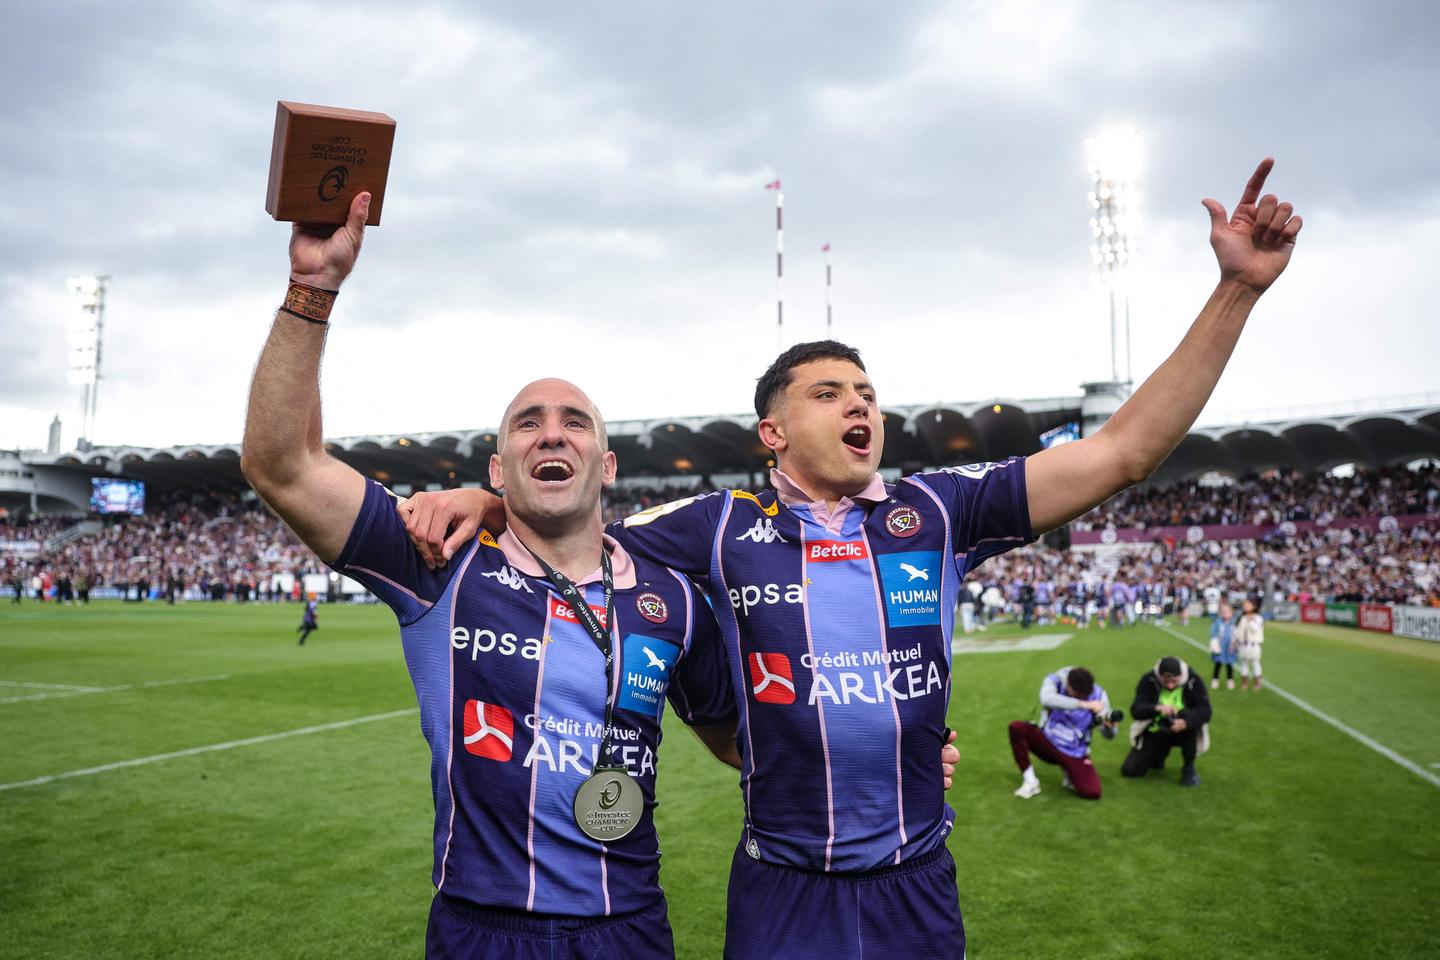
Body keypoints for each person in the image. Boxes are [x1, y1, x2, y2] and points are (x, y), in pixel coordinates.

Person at [408, 157, 1301, 958]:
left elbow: (1122, 452)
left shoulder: (938, 510)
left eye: (867, 393)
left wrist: (1236, 292)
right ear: (773, 432)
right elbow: (569, 526)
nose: (859, 405)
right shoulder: (717, 526)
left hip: (916, 881)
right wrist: (492, 500)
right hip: (782, 888)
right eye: (828, 393)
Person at [240, 191, 744, 959]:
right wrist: (313, 288)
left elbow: (741, 741)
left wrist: (903, 754)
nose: (552, 433)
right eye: (527, 423)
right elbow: (280, 464)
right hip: (481, 929)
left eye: (575, 422)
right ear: (498, 468)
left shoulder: (670, 597)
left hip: (628, 928)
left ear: (607, 465)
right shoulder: (438, 558)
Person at [1007, 666, 1116, 801]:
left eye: (1084, 696)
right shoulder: (1056, 680)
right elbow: (1046, 698)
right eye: (1077, 694)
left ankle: (1069, 774)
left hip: (1074, 750)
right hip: (1047, 740)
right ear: (1068, 685)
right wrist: (1083, 704)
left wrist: (1108, 726)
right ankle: (1030, 782)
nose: (1081, 697)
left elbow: (1110, 735)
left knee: (1093, 792)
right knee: (1016, 727)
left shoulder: (1099, 695)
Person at [1121, 656, 1212, 787]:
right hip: (1157, 728)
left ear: (1181, 676)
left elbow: (1205, 711)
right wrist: (1157, 708)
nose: (1170, 685)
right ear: (1159, 676)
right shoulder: (1149, 680)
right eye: (1165, 682)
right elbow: (1136, 710)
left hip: (1184, 730)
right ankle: (1158, 757)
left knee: (1190, 723)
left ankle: (1189, 768)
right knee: (1130, 770)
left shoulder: (1194, 680)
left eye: (1174, 681)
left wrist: (1186, 722)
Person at [1235, 596, 1266, 690]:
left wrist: (1251, 620)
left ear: (1254, 606)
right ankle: (1244, 683)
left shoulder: (1258, 618)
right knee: (1243, 664)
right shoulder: (1242, 618)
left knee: (1255, 664)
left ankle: (1257, 682)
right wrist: (1235, 642)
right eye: (1244, 605)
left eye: (1248, 605)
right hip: (1243, 645)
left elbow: (1254, 628)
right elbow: (1238, 632)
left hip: (1253, 645)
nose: (1245, 606)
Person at [1209, 601, 1237, 689]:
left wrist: (1234, 644)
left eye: (1228, 611)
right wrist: (1215, 645)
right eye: (1223, 612)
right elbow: (1213, 634)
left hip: (1230, 647)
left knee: (1229, 665)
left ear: (1231, 612)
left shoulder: (1234, 623)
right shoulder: (1218, 622)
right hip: (1220, 646)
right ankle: (1215, 680)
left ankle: (1230, 680)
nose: (1225, 614)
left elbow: (1237, 634)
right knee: (1218, 664)